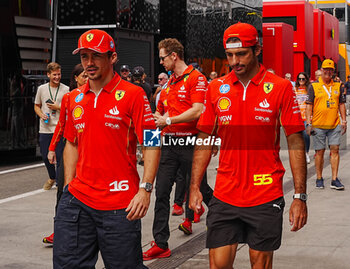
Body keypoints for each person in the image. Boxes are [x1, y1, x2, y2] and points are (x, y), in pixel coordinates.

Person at [189, 22, 308, 269]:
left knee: (260, 264)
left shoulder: (280, 87)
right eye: (230, 55)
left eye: (241, 53)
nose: (235, 61)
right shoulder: (215, 88)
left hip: (265, 193)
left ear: (258, 50)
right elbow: (203, 139)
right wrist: (194, 187)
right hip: (225, 193)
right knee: (218, 265)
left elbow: (296, 141)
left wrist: (299, 196)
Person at [53, 29, 160, 268]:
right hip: (77, 202)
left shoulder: (134, 95)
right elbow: (71, 142)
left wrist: (146, 188)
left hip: (120, 205)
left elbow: (152, 141)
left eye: (96, 56)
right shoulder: (73, 99)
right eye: (84, 57)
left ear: (112, 57)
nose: (89, 63)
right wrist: (69, 187)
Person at [143, 38, 213, 260]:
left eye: (163, 57)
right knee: (161, 191)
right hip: (169, 144)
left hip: (191, 143)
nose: (161, 62)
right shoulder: (168, 83)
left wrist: (169, 121)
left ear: (174, 56)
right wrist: (152, 141)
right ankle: (161, 243)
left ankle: (225, 221)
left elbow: (198, 110)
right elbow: (160, 118)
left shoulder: (197, 78)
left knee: (202, 189)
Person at [43, 64, 88, 245]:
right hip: (69, 149)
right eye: (83, 76)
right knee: (63, 190)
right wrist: (52, 148)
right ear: (76, 78)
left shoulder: (98, 96)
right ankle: (59, 230)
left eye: (88, 75)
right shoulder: (70, 97)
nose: (86, 78)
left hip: (91, 153)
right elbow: (61, 125)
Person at [306, 59, 347, 190]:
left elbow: (341, 104)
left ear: (333, 71)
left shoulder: (338, 86)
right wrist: (308, 123)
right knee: (320, 152)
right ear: (322, 70)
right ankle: (319, 178)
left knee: (335, 150)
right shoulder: (313, 86)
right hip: (318, 125)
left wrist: (344, 120)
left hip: (334, 125)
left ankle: (334, 179)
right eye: (326, 70)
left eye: (331, 70)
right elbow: (309, 106)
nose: (329, 72)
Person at [34, 62, 69, 190]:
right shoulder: (41, 89)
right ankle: (52, 176)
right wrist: (41, 115)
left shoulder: (66, 89)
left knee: (59, 156)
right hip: (45, 128)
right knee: (45, 155)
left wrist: (57, 107)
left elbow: (68, 109)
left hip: (59, 128)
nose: (57, 77)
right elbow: (36, 106)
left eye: (59, 74)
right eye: (54, 74)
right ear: (48, 75)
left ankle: (60, 183)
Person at [294, 72, 311, 164]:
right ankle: (299, 154)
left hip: (306, 116)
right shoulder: (294, 89)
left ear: (306, 79)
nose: (301, 81)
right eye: (299, 79)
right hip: (297, 116)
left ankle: (306, 153)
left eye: (303, 79)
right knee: (297, 136)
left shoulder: (309, 89)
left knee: (305, 134)